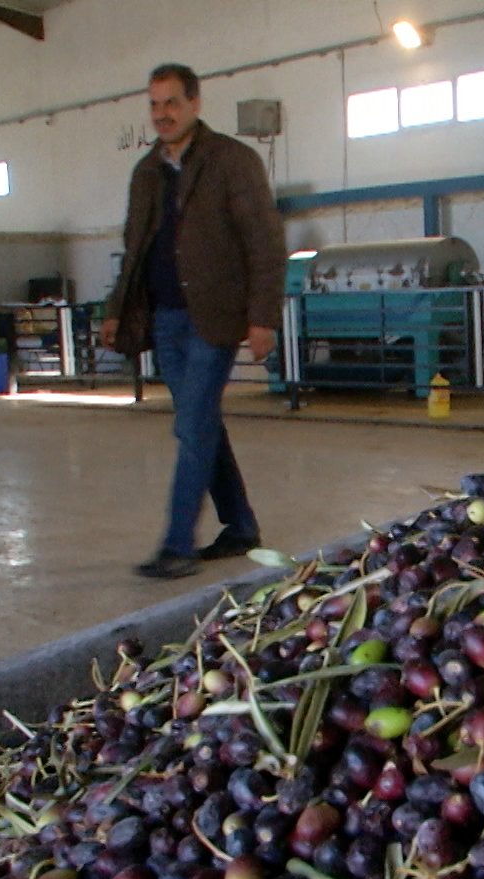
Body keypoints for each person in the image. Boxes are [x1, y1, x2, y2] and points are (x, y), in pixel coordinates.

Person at [102, 62, 283, 580]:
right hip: (165, 318)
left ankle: (178, 543)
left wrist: (262, 317)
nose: (162, 114)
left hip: (215, 316)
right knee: (201, 423)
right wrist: (117, 308)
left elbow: (264, 242)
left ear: (196, 103)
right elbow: (133, 248)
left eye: (172, 103)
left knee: (192, 426)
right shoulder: (146, 172)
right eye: (154, 105)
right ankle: (242, 527)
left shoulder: (233, 160)